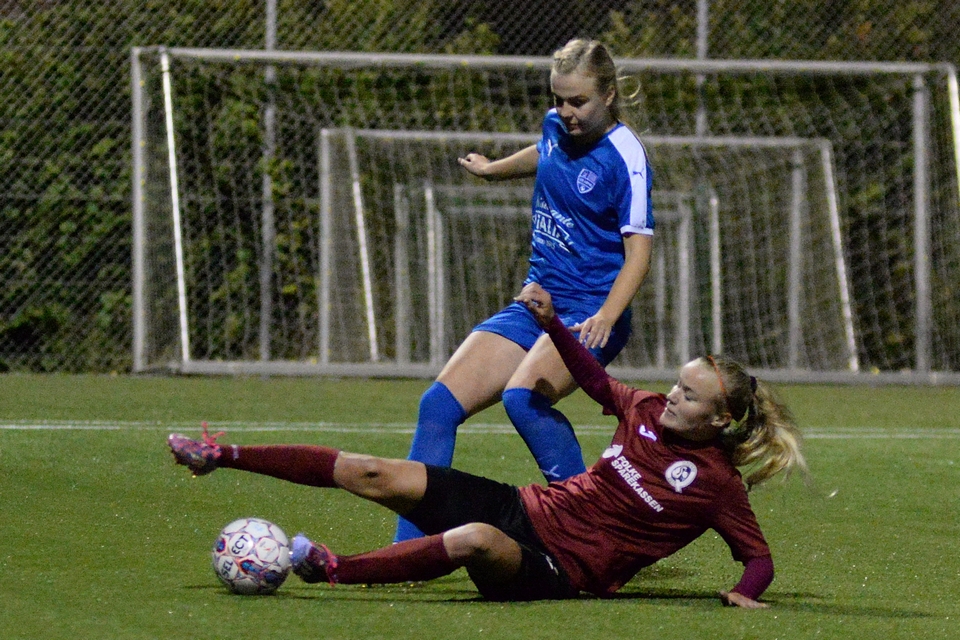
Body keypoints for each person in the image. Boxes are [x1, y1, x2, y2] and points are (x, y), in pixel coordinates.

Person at [168, 284, 805, 607]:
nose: (672, 396)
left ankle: (334, 569)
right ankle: (223, 456)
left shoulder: (718, 485)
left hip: (561, 572)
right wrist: (552, 324)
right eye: (677, 384)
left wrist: (746, 593)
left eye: (689, 396)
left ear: (721, 419)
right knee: (373, 471)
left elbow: (759, 559)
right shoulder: (641, 408)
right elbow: (591, 379)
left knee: (474, 539)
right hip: (524, 508)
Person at [398, 38, 655, 541]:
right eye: (559, 99)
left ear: (608, 94)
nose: (566, 111)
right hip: (536, 301)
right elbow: (545, 151)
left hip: (587, 312)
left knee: (523, 399)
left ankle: (591, 532)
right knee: (437, 406)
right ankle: (409, 551)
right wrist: (493, 170)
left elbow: (639, 255)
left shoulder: (626, 156)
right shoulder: (555, 126)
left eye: (578, 101)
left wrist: (606, 316)